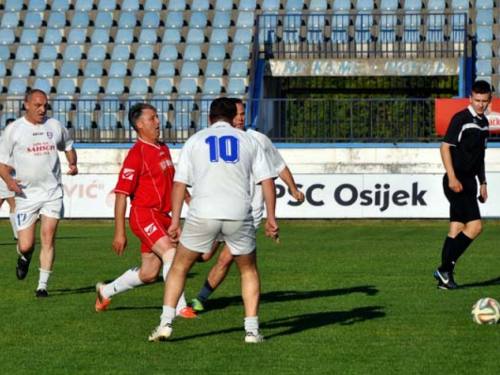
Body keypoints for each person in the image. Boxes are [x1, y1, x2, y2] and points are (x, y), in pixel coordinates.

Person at [148, 97, 279, 343]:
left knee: (179, 267)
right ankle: (251, 331)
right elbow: (267, 181)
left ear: (209, 119)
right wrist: (271, 217)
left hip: (203, 212)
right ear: (232, 118)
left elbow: (179, 183)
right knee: (248, 270)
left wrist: (175, 221)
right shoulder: (249, 140)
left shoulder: (195, 140)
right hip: (239, 213)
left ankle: (165, 324)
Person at [190, 98, 305, 312]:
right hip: (221, 208)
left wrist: (293, 188)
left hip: (250, 214)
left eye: (243, 113)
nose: (240, 117)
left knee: (226, 258)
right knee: (204, 256)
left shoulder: (258, 139)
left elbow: (279, 166)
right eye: (236, 114)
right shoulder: (215, 139)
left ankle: (199, 300)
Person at [94, 103, 196, 319]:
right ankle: (179, 308)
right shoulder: (136, 155)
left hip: (163, 217)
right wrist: (119, 233)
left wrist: (191, 203)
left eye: (157, 117)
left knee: (149, 274)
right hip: (144, 214)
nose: (159, 122)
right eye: (153, 118)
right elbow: (121, 194)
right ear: (140, 125)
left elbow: (176, 182)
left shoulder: (163, 148)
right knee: (172, 254)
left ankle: (106, 291)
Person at [0, 89, 78, 297]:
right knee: (26, 244)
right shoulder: (14, 130)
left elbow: (68, 145)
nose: (42, 109)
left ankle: (42, 286)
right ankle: (25, 256)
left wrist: (73, 162)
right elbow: (1, 163)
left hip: (52, 192)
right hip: (25, 195)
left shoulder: (54, 126)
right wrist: (9, 182)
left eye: (45, 105)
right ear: (26, 105)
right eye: (37, 105)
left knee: (48, 235)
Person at [434, 80, 491, 290]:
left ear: (489, 101)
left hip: (470, 183)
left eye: (484, 101)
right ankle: (444, 268)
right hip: (455, 181)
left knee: (457, 228)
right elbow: (444, 147)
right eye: (477, 100)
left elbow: (480, 156)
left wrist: (483, 182)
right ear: (470, 98)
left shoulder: (484, 123)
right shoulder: (461, 119)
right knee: (475, 227)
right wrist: (451, 177)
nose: (480, 104)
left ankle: (444, 280)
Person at [0, 118, 18, 240]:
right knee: (14, 205)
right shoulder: (9, 142)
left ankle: (18, 235)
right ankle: (18, 235)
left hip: (5, 177)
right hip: (5, 178)